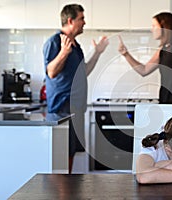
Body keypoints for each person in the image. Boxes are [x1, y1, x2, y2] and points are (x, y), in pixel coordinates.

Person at [43, 4, 109, 174]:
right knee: (60, 155)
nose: (84, 22)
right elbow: (51, 71)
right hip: (61, 109)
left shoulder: (76, 46)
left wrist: (98, 53)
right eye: (81, 19)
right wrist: (64, 53)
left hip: (76, 108)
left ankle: (67, 192)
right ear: (71, 20)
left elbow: (84, 71)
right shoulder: (55, 42)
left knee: (71, 153)